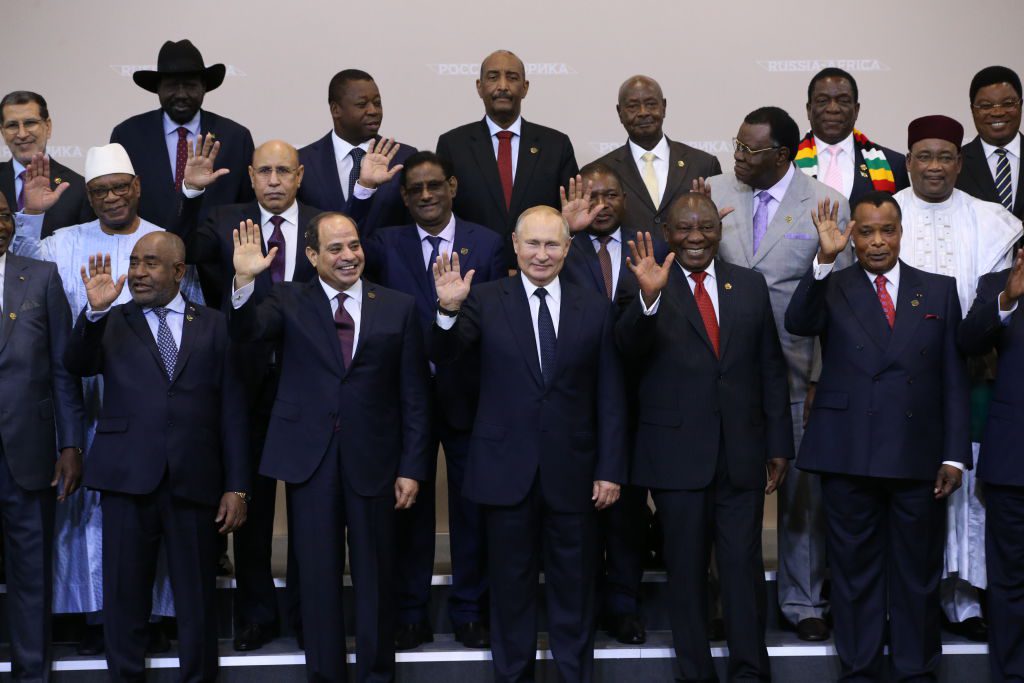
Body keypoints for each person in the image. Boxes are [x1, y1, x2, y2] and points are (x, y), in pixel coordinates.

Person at [11, 143, 203, 654]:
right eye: (100, 191)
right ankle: (84, 611)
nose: (112, 198)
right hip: (79, 397)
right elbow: (16, 281)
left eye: (121, 187)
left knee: (152, 510)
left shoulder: (164, 241)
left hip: (153, 408)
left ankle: (155, 614)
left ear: (138, 186)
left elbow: (197, 324)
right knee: (81, 513)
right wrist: (30, 216)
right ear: (89, 197)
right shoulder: (61, 243)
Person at [229, 213, 432, 682]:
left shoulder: (397, 306)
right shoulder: (286, 299)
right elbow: (245, 334)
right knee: (318, 580)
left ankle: (376, 675)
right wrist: (243, 280)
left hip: (377, 461)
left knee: (377, 579)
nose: (348, 256)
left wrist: (413, 467)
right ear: (313, 256)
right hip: (310, 460)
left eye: (354, 246)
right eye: (336, 249)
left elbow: (415, 396)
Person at [430, 205, 626, 683]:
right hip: (505, 471)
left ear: (567, 248)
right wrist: (447, 312)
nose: (542, 254)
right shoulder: (483, 299)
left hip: (575, 474)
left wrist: (610, 468)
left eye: (552, 244)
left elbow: (611, 396)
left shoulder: (595, 307)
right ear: (515, 246)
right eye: (532, 244)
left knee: (574, 589)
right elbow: (448, 359)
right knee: (510, 590)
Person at [785, 191, 970, 681]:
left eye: (886, 230)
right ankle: (861, 669)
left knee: (916, 572)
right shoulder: (835, 283)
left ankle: (915, 669)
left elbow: (953, 377)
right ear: (852, 236)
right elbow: (797, 322)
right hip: (849, 453)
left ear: (901, 231)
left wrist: (954, 455)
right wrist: (822, 260)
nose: (877, 241)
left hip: (917, 455)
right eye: (864, 232)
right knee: (853, 573)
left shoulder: (937, 289)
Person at [616, 192, 792, 681]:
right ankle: (695, 673)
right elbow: (624, 352)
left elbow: (770, 369)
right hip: (675, 457)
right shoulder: (644, 282)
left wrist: (778, 444)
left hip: (740, 453)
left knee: (741, 569)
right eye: (685, 228)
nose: (696, 237)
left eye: (706, 227)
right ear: (666, 231)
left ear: (720, 229)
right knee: (687, 573)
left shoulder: (749, 285)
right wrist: (649, 298)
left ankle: (750, 671)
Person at [66, 231, 249, 683]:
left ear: (179, 271)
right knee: (124, 596)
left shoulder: (213, 323)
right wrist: (94, 311)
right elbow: (77, 363)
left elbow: (233, 409)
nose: (139, 273)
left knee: (196, 598)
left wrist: (237, 485)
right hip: (127, 477)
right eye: (135, 262)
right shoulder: (109, 319)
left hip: (195, 477)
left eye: (150, 263)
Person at [709, 106, 850, 642]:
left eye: (750, 150)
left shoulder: (824, 203)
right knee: (727, 493)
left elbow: (839, 302)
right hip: (725, 376)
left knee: (802, 497)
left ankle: (803, 600)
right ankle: (726, 599)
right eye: (737, 145)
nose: (738, 157)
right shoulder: (716, 192)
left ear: (783, 156)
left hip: (798, 375)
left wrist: (824, 378)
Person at [179, 137, 321, 650]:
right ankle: (258, 613)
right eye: (266, 171)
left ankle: (311, 615)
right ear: (251, 174)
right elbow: (184, 252)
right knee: (251, 512)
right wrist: (192, 195)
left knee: (314, 512)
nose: (276, 180)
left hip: (312, 385)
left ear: (301, 175)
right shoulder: (224, 221)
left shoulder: (326, 224)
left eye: (285, 170)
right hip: (244, 382)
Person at [362, 150, 504, 650]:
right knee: (409, 511)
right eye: (415, 189)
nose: (425, 195)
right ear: (403, 196)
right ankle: (409, 612)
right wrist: (364, 192)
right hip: (402, 401)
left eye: (434, 186)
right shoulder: (385, 242)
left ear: (453, 187)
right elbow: (343, 252)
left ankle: (469, 611)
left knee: (472, 511)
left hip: (471, 395)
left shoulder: (486, 244)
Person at [894, 114, 1023, 641]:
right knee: (903, 491)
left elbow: (993, 308)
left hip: (970, 372)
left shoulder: (995, 220)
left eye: (946, 156)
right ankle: (903, 606)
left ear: (960, 162)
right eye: (924, 156)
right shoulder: (885, 216)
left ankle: (965, 601)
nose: (935, 166)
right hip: (897, 382)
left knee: (965, 490)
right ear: (908, 161)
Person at [558, 161, 660, 646]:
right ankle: (582, 604)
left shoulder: (651, 248)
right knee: (578, 513)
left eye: (612, 195)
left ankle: (623, 604)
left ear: (627, 201)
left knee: (626, 513)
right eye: (591, 195)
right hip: (572, 404)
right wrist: (567, 230)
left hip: (638, 401)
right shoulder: (558, 248)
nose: (601, 204)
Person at [0, 191, 84, 681]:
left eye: (4, 216)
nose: (0, 225)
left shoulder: (43, 278)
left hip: (28, 453)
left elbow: (61, 370)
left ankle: (31, 673)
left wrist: (70, 443)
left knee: (31, 572)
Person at [110, 39, 255, 271]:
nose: (181, 94)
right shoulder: (127, 135)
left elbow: (247, 208)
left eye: (189, 85)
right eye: (171, 86)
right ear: (157, 89)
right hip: (146, 268)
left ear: (204, 87)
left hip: (216, 271)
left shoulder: (235, 137)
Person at [436, 50, 578, 268]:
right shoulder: (452, 144)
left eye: (512, 77)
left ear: (525, 87)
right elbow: (444, 215)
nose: (502, 86)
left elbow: (569, 213)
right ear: (479, 87)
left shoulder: (556, 145)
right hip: (472, 270)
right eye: (493, 77)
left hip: (539, 270)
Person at [959, 250, 1024, 681]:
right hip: (1014, 459)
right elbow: (967, 343)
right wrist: (1007, 300)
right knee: (1011, 581)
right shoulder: (999, 283)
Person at [594, 75, 722, 233]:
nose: (643, 112)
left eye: (651, 104)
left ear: (664, 107)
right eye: (633, 106)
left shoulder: (703, 165)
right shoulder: (601, 171)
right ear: (620, 113)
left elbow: (716, 226)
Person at [298, 69, 416, 239]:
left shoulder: (404, 158)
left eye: (377, 103)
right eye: (362, 105)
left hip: (387, 265)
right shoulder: (304, 161)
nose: (373, 111)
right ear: (335, 110)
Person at [795, 68, 909, 204]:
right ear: (809, 110)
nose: (833, 109)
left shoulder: (893, 164)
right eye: (822, 101)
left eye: (843, 101)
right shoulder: (787, 164)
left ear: (856, 110)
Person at [1, 91, 92, 238]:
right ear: (2, 132)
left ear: (48, 127)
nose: (22, 134)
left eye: (30, 123)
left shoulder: (77, 187)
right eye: (12, 125)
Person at [957, 66, 1023, 220]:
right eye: (986, 106)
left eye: (1007, 103)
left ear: (1021, 105)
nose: (998, 112)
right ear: (972, 110)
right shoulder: (955, 165)